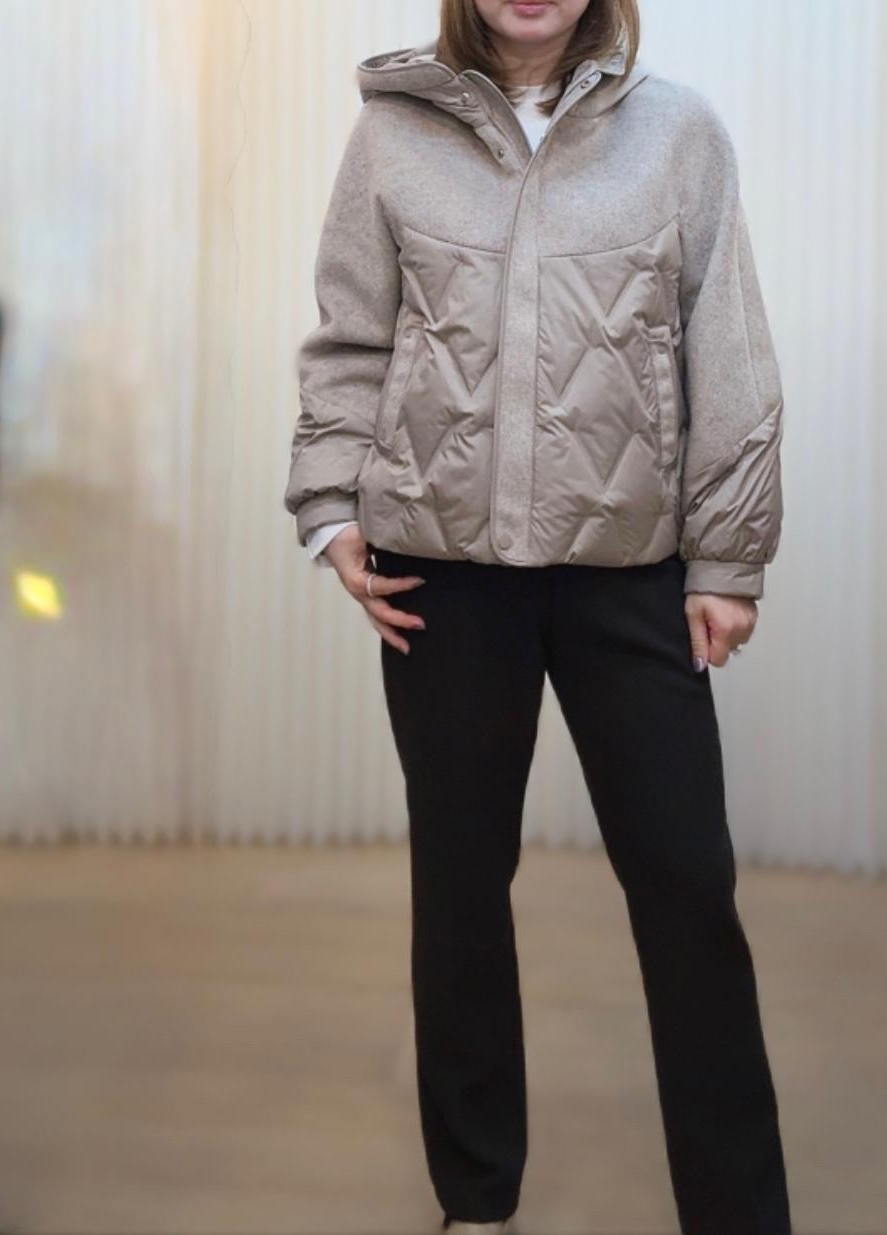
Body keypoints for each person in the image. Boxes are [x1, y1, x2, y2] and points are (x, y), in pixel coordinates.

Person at [283, 2, 790, 1233]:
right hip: (442, 577)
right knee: (459, 892)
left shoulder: (679, 135)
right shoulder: (392, 135)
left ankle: (738, 1211)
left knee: (687, 889)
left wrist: (729, 556)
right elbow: (351, 338)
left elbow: (727, 351)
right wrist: (329, 503)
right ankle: (475, 1198)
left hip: (629, 575)